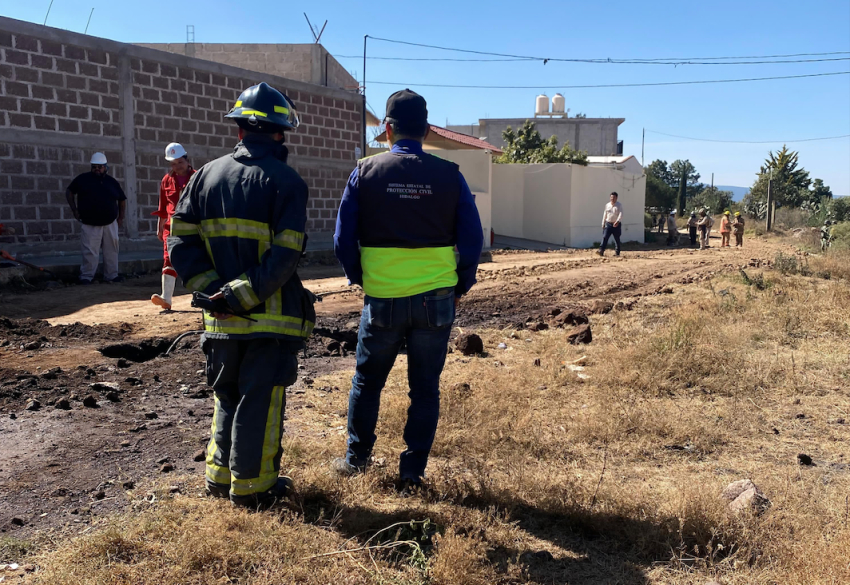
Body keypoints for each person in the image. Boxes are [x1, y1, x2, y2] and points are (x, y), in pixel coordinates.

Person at [168, 82, 314, 509]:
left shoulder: (204, 177)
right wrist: (239, 295)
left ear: (239, 131)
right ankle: (253, 488)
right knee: (261, 403)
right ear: (279, 134)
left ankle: (218, 477)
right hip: (265, 318)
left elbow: (179, 243)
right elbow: (285, 255)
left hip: (218, 320)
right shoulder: (287, 182)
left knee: (225, 395)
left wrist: (214, 292)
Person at [332, 89, 484, 492]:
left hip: (382, 299)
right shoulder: (450, 174)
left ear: (387, 128)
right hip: (436, 301)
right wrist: (460, 286)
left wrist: (361, 277)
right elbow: (472, 241)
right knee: (424, 389)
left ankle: (356, 459)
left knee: (367, 381)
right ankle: (412, 471)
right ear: (427, 130)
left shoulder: (364, 171)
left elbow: (343, 240)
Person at [65, 152, 127, 284]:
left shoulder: (112, 182)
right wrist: (74, 210)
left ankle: (111, 275)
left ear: (106, 167)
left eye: (100, 167)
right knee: (90, 251)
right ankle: (87, 277)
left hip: (110, 223)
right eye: (94, 167)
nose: (97, 169)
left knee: (111, 250)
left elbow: (122, 200)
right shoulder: (83, 179)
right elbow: (69, 191)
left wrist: (121, 217)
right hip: (89, 223)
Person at [151, 143, 196, 311]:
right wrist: (160, 227)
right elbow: (163, 207)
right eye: (173, 164)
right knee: (168, 260)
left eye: (180, 162)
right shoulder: (166, 180)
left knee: (194, 260)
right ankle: (166, 298)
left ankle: (199, 296)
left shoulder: (197, 177)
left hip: (191, 226)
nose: (177, 167)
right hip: (171, 228)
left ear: (186, 160)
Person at [598, 192, 624, 257]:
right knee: (605, 237)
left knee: (616, 239)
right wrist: (603, 223)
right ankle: (601, 250)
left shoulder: (619, 205)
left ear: (616, 198)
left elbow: (621, 214)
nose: (612, 199)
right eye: (611, 197)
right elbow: (605, 214)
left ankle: (617, 252)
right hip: (608, 224)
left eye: (614, 197)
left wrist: (618, 221)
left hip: (616, 225)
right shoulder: (607, 205)